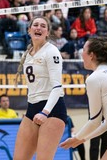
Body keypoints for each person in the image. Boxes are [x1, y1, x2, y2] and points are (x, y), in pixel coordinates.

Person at [13, 16, 67, 160]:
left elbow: (57, 87)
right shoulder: (28, 53)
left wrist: (45, 112)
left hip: (52, 109)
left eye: (43, 26)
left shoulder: (52, 51)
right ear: (29, 30)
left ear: (47, 32)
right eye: (35, 25)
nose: (39, 28)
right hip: (32, 108)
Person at [60, 36, 107, 160]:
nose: (81, 54)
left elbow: (95, 121)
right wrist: (82, 139)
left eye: (83, 50)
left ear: (91, 55)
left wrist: (77, 138)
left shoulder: (95, 78)